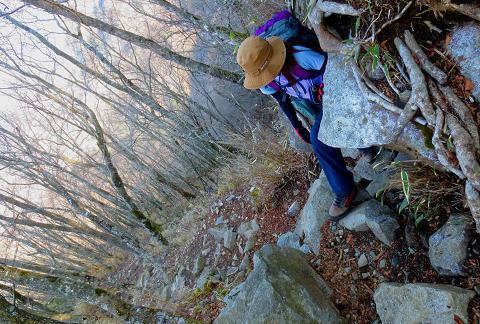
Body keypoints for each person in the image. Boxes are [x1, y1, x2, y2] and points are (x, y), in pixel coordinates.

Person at [235, 33, 358, 219]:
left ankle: (345, 190)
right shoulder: (268, 82)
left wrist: (330, 96)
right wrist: (297, 126)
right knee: (321, 132)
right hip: (318, 101)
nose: (263, 79)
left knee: (319, 139)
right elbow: (283, 100)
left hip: (339, 92)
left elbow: (337, 71)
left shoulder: (302, 57)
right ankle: (365, 148)